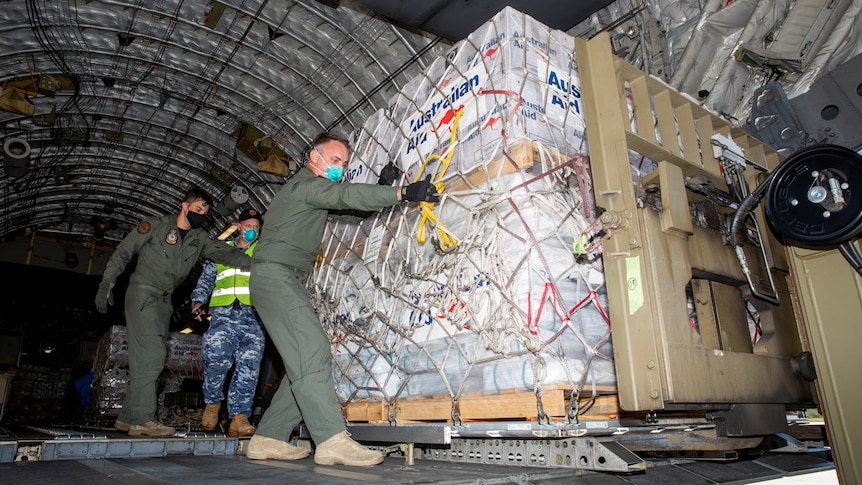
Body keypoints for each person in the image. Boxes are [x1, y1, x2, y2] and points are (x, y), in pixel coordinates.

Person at [246, 132, 439, 465]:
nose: (340, 168)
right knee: (313, 352)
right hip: (274, 276)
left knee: (303, 362)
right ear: (313, 157)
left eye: (344, 164)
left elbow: (351, 212)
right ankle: (331, 440)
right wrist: (401, 192)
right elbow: (345, 193)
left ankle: (268, 437)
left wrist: (380, 186)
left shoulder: (314, 193)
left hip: (283, 277)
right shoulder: (305, 185)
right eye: (335, 161)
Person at [95, 186, 252, 437]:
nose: (201, 214)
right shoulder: (155, 226)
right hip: (143, 294)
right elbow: (124, 252)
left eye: (205, 211)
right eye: (198, 209)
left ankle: (127, 418)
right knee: (154, 355)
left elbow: (227, 254)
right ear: (184, 205)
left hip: (164, 302)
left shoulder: (198, 239)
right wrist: (107, 284)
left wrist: (261, 263)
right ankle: (143, 419)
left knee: (143, 359)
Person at [189, 208, 264, 436]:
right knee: (216, 361)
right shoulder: (221, 250)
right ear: (238, 226)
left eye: (255, 227)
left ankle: (239, 417)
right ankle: (212, 405)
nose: (251, 230)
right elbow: (206, 279)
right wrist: (197, 302)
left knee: (249, 367)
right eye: (247, 225)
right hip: (223, 315)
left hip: (254, 317)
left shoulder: (261, 251)